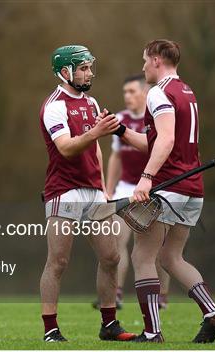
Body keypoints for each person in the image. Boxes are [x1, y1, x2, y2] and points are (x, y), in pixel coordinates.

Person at [115, 39, 215, 343]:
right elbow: (157, 141)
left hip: (169, 188)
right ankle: (213, 314)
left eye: (144, 61)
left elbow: (165, 142)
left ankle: (152, 333)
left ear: (156, 60)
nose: (142, 68)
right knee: (170, 257)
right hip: (192, 188)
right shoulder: (186, 91)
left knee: (142, 256)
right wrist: (120, 131)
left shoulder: (158, 92)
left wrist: (146, 177)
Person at [39, 44, 135, 342]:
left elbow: (95, 147)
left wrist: (104, 189)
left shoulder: (92, 103)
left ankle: (109, 325)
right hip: (63, 191)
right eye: (83, 68)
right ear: (65, 71)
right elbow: (66, 147)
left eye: (89, 67)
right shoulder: (54, 105)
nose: (89, 72)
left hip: (93, 192)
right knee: (59, 261)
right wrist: (97, 132)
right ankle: (51, 329)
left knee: (111, 257)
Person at [94, 74, 171, 310]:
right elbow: (116, 157)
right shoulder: (120, 119)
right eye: (124, 92)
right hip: (127, 189)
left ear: (145, 93)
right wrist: (107, 188)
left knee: (158, 247)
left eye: (131, 91)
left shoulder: (159, 118)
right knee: (117, 242)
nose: (127, 96)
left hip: (155, 189)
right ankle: (116, 293)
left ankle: (162, 295)